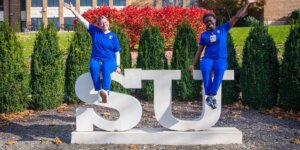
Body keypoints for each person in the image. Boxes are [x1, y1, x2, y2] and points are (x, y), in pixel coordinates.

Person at [189, 0, 257, 109]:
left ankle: (211, 95)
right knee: (205, 69)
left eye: (210, 20)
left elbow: (237, 16)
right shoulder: (204, 35)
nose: (208, 22)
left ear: (215, 20)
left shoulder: (223, 29)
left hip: (220, 59)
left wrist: (247, 3)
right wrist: (193, 64)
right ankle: (209, 96)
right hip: (207, 58)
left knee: (220, 69)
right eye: (206, 22)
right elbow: (199, 50)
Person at [64, 2, 122, 103]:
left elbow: (117, 52)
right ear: (99, 25)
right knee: (93, 67)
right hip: (96, 58)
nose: (105, 24)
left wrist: (117, 66)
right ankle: (99, 91)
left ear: (108, 22)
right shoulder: (95, 31)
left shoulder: (113, 36)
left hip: (110, 60)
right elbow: (82, 20)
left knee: (105, 69)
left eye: (106, 22)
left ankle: (106, 92)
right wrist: (72, 10)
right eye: (102, 23)